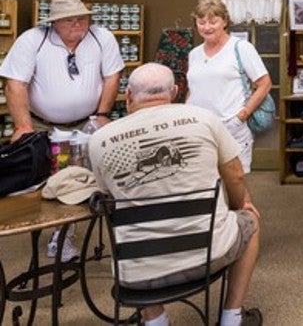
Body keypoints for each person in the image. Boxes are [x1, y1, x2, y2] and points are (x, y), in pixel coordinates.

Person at [89, 63, 262, 326]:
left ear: (128, 95)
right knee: (251, 221)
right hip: (208, 256)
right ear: (176, 91)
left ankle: (156, 320)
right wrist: (242, 205)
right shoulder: (204, 119)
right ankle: (231, 317)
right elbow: (236, 175)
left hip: (136, 271)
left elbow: (106, 197)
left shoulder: (100, 140)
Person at [0, 0, 124, 261]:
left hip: (87, 121)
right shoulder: (33, 40)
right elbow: (15, 84)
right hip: (43, 123)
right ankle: (53, 230)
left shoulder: (102, 37)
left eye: (82, 17)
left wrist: (102, 113)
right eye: (70, 19)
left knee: (80, 181)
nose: (78, 23)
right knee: (45, 180)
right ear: (54, 23)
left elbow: (112, 76)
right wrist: (23, 125)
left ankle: (65, 232)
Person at [186, 0, 271, 174]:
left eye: (213, 21)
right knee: (204, 183)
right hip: (200, 129)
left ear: (225, 21)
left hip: (231, 126)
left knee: (235, 185)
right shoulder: (194, 54)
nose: (207, 27)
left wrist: (242, 115)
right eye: (201, 22)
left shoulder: (241, 48)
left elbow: (264, 84)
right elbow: (192, 89)